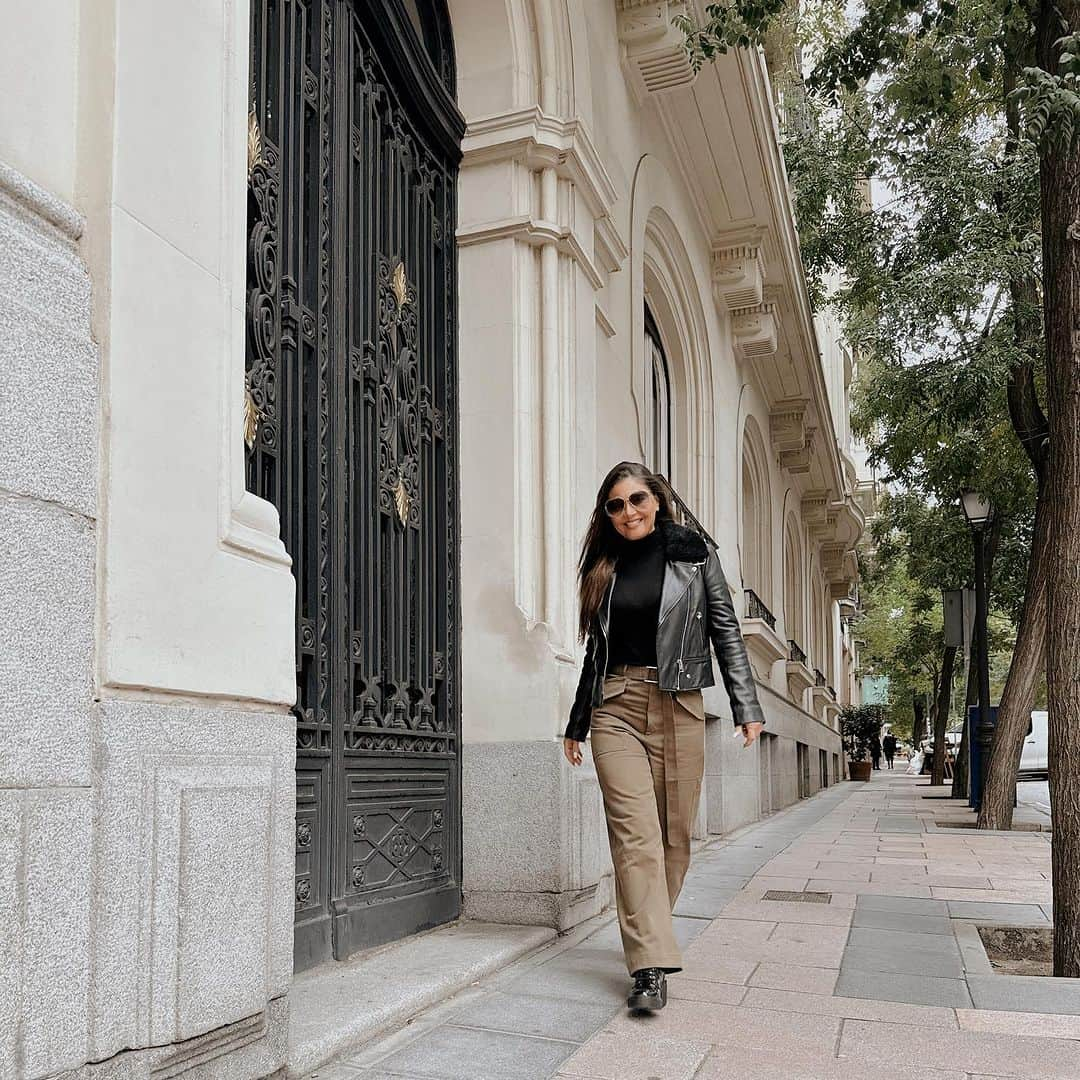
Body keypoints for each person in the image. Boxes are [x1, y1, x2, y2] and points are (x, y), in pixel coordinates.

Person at [563, 462, 765, 1014]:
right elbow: (594, 652)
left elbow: (725, 628)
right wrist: (577, 719)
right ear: (606, 515)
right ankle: (649, 967)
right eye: (615, 505)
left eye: (636, 500)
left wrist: (747, 705)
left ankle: (649, 930)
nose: (628, 512)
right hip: (615, 708)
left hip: (678, 702)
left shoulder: (693, 556)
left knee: (674, 837)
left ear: (656, 500)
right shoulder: (602, 568)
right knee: (636, 837)